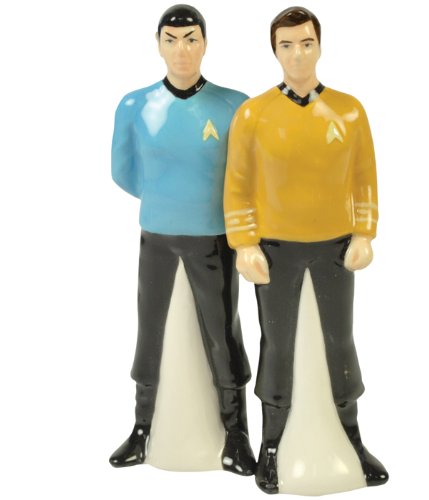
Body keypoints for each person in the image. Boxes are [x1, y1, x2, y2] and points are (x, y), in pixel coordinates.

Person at [224, 6, 388, 493]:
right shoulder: (253, 115)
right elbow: (238, 186)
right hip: (276, 249)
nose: (297, 54)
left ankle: (351, 439)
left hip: (335, 247)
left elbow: (364, 177)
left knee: (340, 341)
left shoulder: (350, 110)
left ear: (320, 46)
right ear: (274, 51)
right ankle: (272, 446)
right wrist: (244, 243)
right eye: (287, 45)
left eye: (306, 43)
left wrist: (364, 233)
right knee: (277, 345)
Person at [109, 4, 255, 476]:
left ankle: (236, 433)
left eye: (191, 39)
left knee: (222, 330)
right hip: (158, 235)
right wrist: (166, 200)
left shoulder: (234, 106)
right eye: (171, 40)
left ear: (205, 44)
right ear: (157, 45)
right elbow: (123, 171)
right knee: (149, 329)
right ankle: (143, 427)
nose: (182, 50)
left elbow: (247, 174)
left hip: (214, 238)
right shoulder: (134, 106)